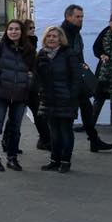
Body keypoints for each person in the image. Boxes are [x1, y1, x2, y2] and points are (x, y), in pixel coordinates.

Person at [60, 5, 112, 151]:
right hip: (66, 81)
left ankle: (94, 140)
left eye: (82, 16)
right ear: (68, 17)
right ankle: (52, 143)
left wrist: (83, 66)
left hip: (78, 79)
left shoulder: (76, 33)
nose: (80, 19)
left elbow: (78, 55)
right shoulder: (62, 33)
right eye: (77, 16)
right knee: (64, 115)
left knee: (86, 109)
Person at [0, 20, 34, 172]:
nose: (14, 32)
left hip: (20, 95)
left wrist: (29, 81)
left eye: (17, 29)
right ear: (6, 31)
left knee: (15, 129)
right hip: (0, 94)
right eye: (10, 29)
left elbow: (34, 70)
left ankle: (12, 158)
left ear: (22, 31)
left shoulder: (29, 49)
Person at [36, 25, 81, 173]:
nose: (51, 39)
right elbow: (37, 77)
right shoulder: (41, 55)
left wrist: (71, 96)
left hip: (66, 99)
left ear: (61, 39)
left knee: (65, 132)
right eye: (48, 36)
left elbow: (76, 78)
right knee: (53, 133)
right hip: (49, 100)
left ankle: (65, 161)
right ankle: (54, 161)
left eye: (54, 36)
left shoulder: (69, 54)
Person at [3, 19, 51, 152]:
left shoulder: (32, 42)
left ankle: (45, 140)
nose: (33, 30)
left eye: (34, 27)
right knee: (16, 115)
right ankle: (8, 142)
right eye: (30, 28)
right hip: (21, 85)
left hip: (31, 86)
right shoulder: (21, 45)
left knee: (38, 113)